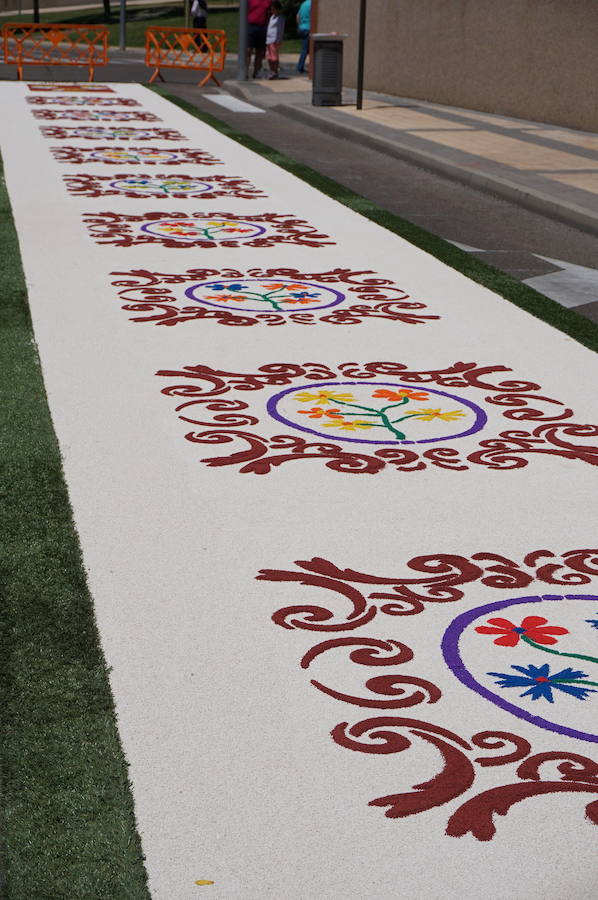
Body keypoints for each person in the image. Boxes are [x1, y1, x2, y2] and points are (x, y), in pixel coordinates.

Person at [247, 0, 271, 79]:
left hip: (262, 27)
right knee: (248, 50)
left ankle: (256, 72)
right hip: (250, 26)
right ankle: (245, 71)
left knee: (260, 52)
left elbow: (271, 11)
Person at [266, 1, 285, 80]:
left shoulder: (280, 19)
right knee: (269, 57)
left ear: (278, 10)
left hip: (275, 40)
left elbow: (280, 30)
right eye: (271, 10)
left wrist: (278, 40)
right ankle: (272, 70)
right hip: (269, 40)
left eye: (274, 10)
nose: (272, 11)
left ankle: (275, 72)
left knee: (274, 57)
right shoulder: (271, 17)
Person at [296, 0, 311, 74]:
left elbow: (297, 16)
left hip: (302, 28)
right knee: (306, 50)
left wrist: (299, 26)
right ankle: (300, 67)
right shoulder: (313, 4)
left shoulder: (304, 4)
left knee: (305, 49)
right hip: (308, 28)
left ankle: (300, 67)